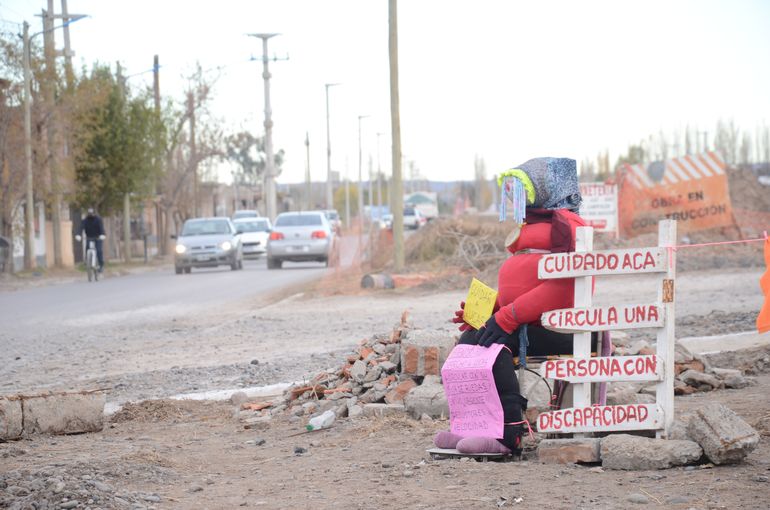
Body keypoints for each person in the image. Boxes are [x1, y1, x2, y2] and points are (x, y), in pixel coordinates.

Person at [437, 157, 590, 455]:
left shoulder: (569, 229)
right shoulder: (535, 229)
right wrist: (486, 311)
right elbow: (523, 288)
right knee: (467, 344)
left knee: (498, 344)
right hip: (524, 323)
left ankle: (509, 435)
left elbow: (564, 287)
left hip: (562, 327)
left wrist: (507, 317)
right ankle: (474, 426)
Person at [77, 207, 106, 272]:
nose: (91, 215)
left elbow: (101, 228)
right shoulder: (85, 220)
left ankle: (101, 265)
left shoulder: (98, 219)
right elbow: (81, 227)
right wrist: (78, 235)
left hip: (98, 237)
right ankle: (87, 261)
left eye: (92, 213)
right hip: (89, 237)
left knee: (99, 251)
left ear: (94, 213)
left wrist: (102, 234)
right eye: (89, 213)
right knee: (87, 247)